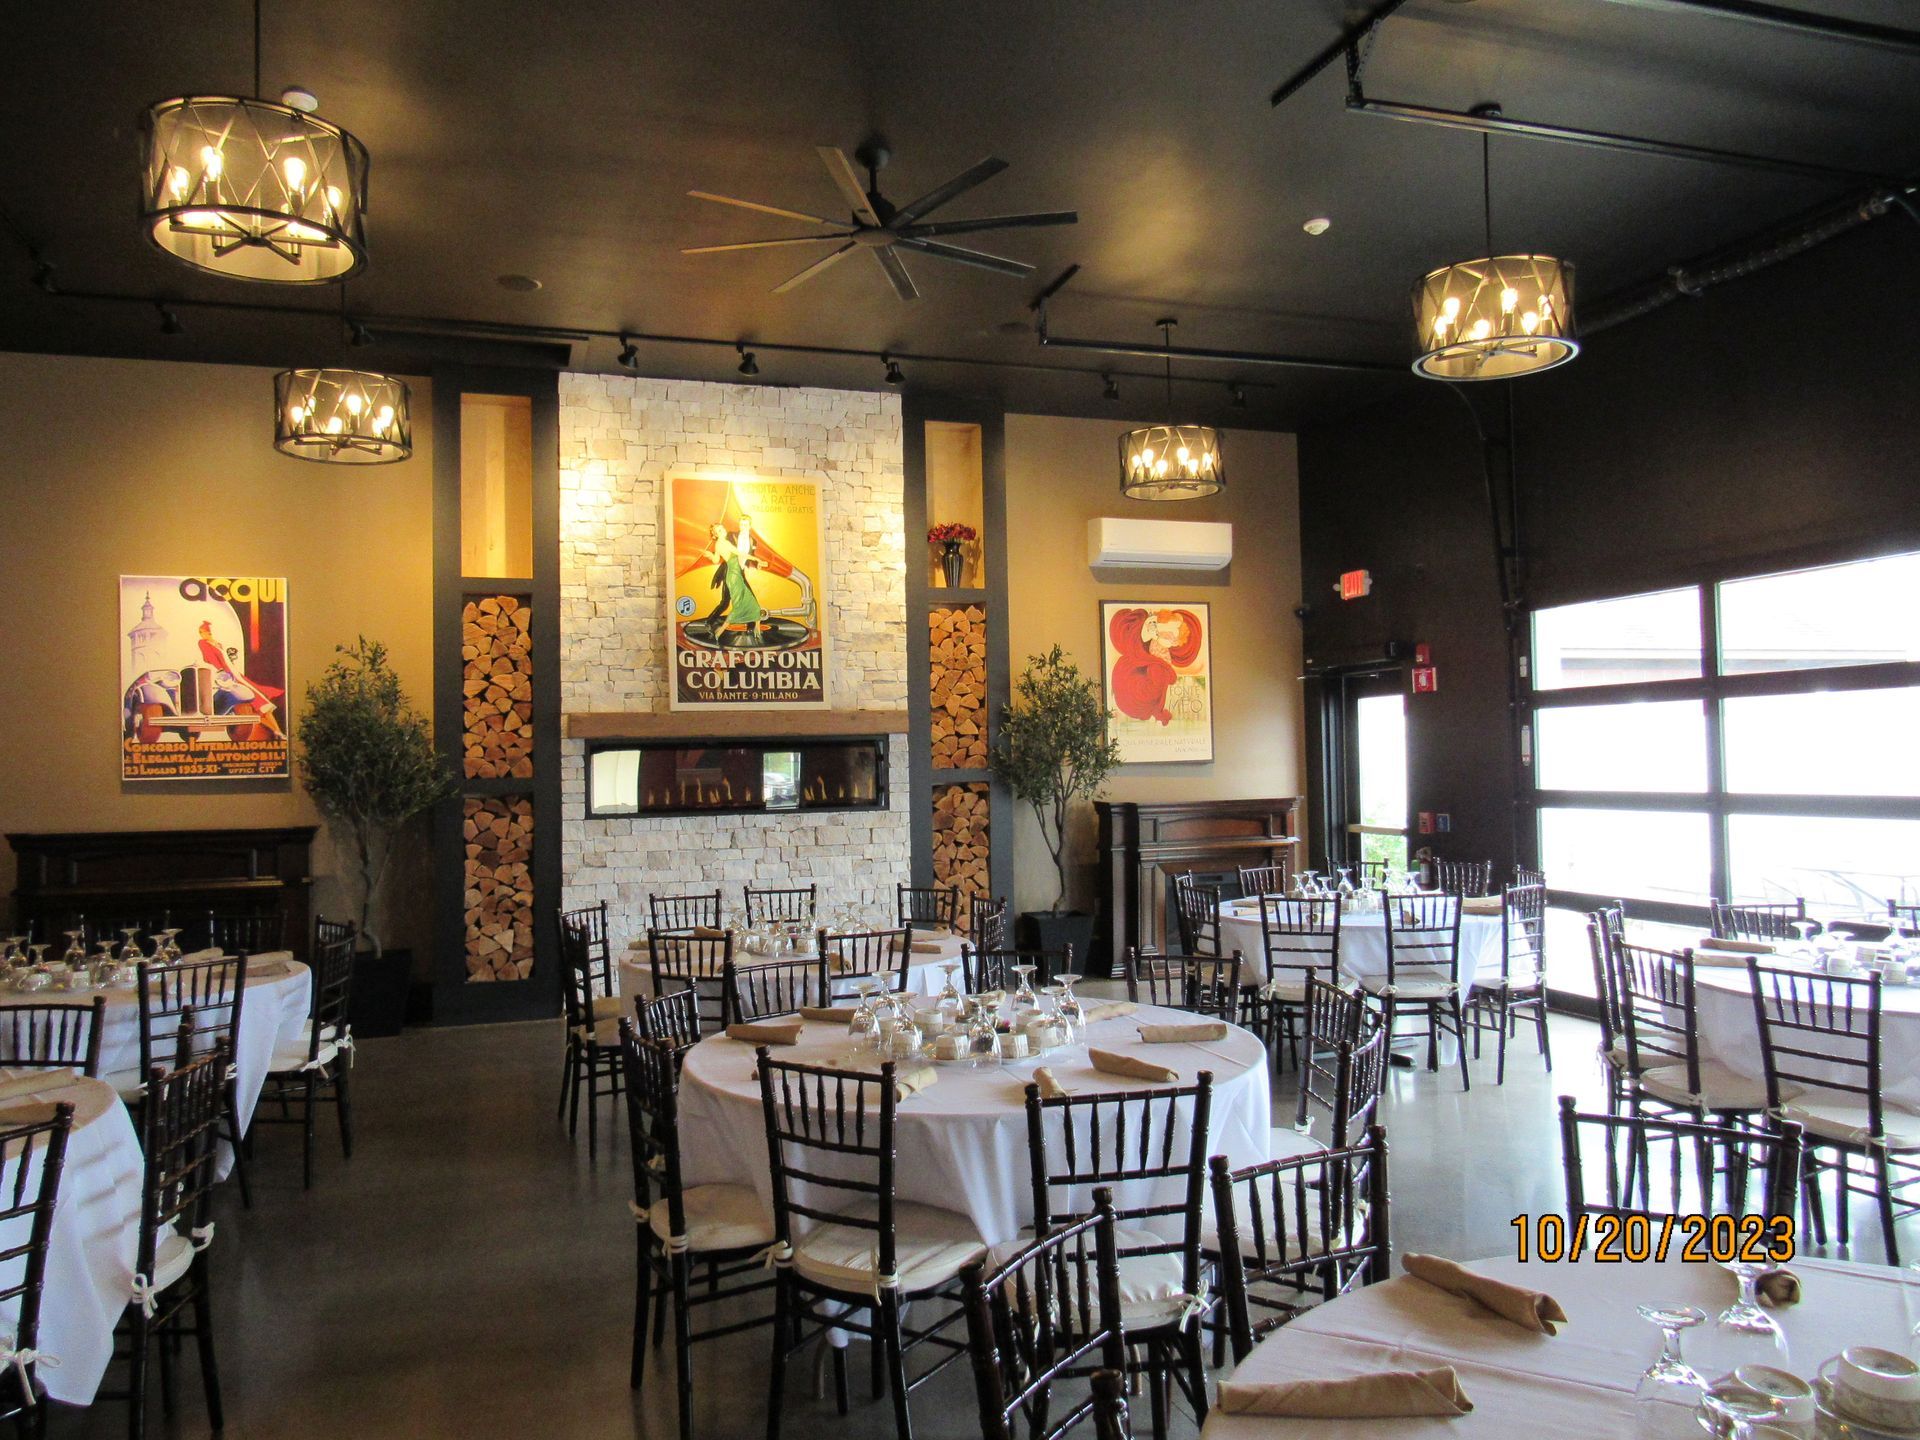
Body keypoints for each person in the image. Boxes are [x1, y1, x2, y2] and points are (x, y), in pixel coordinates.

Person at [1107, 607, 1203, 725]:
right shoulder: (1152, 629)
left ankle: (1157, 710)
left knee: (1158, 682)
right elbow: (1147, 638)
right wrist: (1157, 632)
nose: (1172, 640)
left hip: (1156, 662)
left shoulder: (1166, 638)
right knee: (1154, 683)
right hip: (1145, 665)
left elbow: (1167, 641)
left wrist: (1164, 636)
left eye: (1174, 639)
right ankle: (1156, 710)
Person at [196, 620, 285, 738]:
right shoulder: (203, 643)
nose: (204, 634)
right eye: (202, 632)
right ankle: (277, 731)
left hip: (234, 675)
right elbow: (210, 658)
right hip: (228, 677)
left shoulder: (217, 644)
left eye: (206, 632)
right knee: (259, 704)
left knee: (259, 705)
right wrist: (222, 672)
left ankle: (277, 731)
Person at [700, 523, 763, 641]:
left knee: (751, 601)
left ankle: (756, 628)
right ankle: (720, 631)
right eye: (719, 530)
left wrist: (710, 555)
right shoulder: (724, 543)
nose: (722, 530)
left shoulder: (719, 544)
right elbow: (740, 553)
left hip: (735, 574)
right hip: (734, 576)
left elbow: (716, 560)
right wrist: (756, 559)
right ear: (715, 535)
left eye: (722, 528)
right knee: (740, 605)